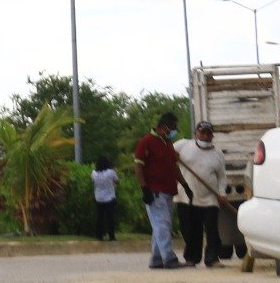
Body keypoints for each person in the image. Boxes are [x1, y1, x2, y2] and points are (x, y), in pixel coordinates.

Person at [133, 111, 193, 269]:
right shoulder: (146, 142)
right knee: (162, 224)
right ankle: (169, 258)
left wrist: (185, 185)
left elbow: (174, 168)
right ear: (162, 127)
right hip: (154, 191)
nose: (173, 131)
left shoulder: (167, 144)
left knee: (160, 225)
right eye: (172, 127)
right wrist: (144, 188)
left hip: (168, 191)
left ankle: (156, 259)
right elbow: (138, 166)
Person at [174, 120, 229, 267]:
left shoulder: (217, 153)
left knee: (212, 230)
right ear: (196, 133)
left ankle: (212, 258)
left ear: (212, 135)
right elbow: (167, 155)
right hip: (186, 196)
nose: (205, 135)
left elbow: (222, 177)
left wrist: (222, 192)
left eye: (208, 133)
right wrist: (171, 155)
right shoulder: (183, 145)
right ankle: (192, 258)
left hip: (210, 198)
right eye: (202, 132)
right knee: (190, 230)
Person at [91, 155, 119, 241]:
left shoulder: (94, 173)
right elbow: (117, 181)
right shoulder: (111, 172)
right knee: (110, 218)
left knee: (100, 217)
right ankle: (111, 236)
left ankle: (99, 235)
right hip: (110, 197)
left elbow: (93, 182)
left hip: (98, 198)